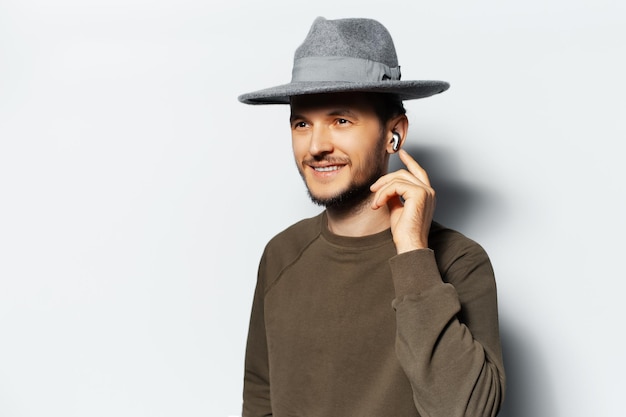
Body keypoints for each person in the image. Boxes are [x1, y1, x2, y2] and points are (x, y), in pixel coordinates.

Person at [237, 16, 505, 417]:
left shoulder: (459, 261)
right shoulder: (282, 254)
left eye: (341, 120)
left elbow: (467, 411)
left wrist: (413, 252)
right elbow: (260, 396)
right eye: (301, 123)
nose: (316, 145)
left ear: (393, 133)